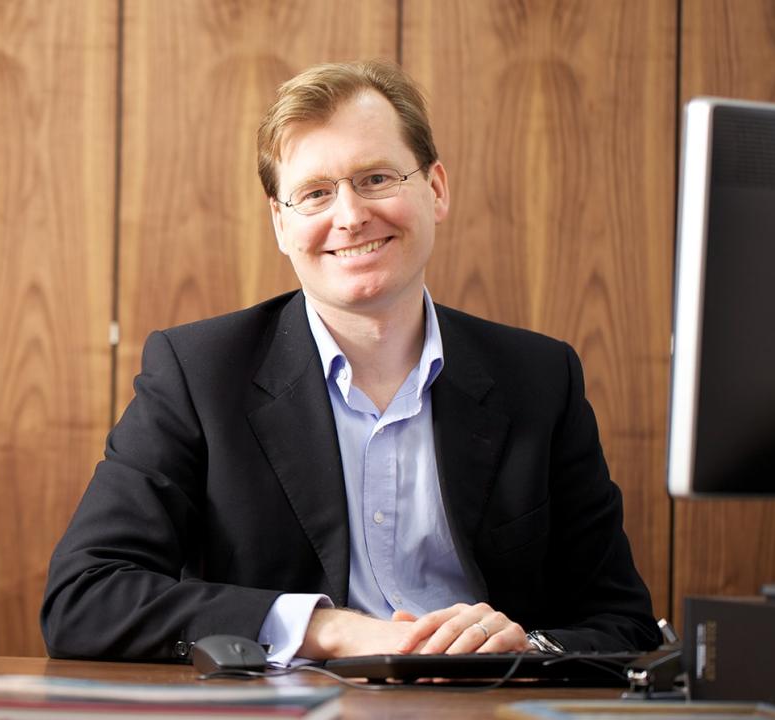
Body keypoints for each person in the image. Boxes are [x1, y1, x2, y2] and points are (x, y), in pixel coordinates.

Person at [41, 59, 662, 665]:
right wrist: (327, 630)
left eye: (377, 178)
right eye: (314, 193)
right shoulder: (200, 373)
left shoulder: (540, 379)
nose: (350, 215)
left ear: (436, 189)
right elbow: (83, 595)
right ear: (280, 225)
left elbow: (624, 623)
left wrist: (526, 649)